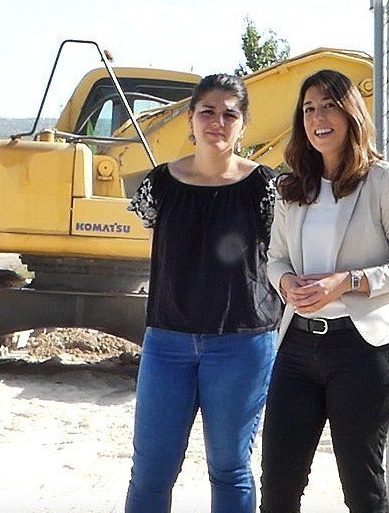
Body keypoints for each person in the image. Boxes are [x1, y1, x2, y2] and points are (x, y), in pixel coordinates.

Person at [259, 69, 389, 513]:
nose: (318, 116)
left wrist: (349, 282)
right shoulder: (290, 186)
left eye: (328, 104)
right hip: (296, 350)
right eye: (309, 108)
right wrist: (286, 282)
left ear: (350, 112)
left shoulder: (383, 180)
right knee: (277, 487)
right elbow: (275, 258)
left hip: (362, 351)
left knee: (362, 490)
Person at [123, 73, 280, 513]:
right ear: (190, 119)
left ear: (244, 125)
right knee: (151, 471)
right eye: (207, 112)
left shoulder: (266, 188)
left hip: (243, 344)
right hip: (167, 343)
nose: (218, 122)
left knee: (229, 468)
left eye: (230, 114)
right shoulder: (159, 185)